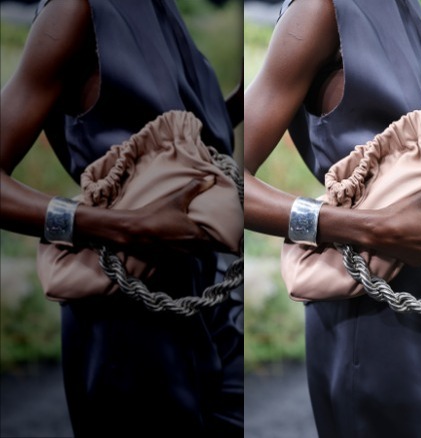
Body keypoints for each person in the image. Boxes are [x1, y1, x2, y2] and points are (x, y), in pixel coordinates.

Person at [243, 0, 421, 436]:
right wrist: (368, 228)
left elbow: (419, 158)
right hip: (373, 313)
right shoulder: (319, 11)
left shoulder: (406, 8)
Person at [0, 0, 243, 435]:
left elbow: (171, 138)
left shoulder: (160, 10)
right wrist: (123, 227)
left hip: (204, 301)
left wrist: (238, 104)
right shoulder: (74, 11)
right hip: (129, 316)